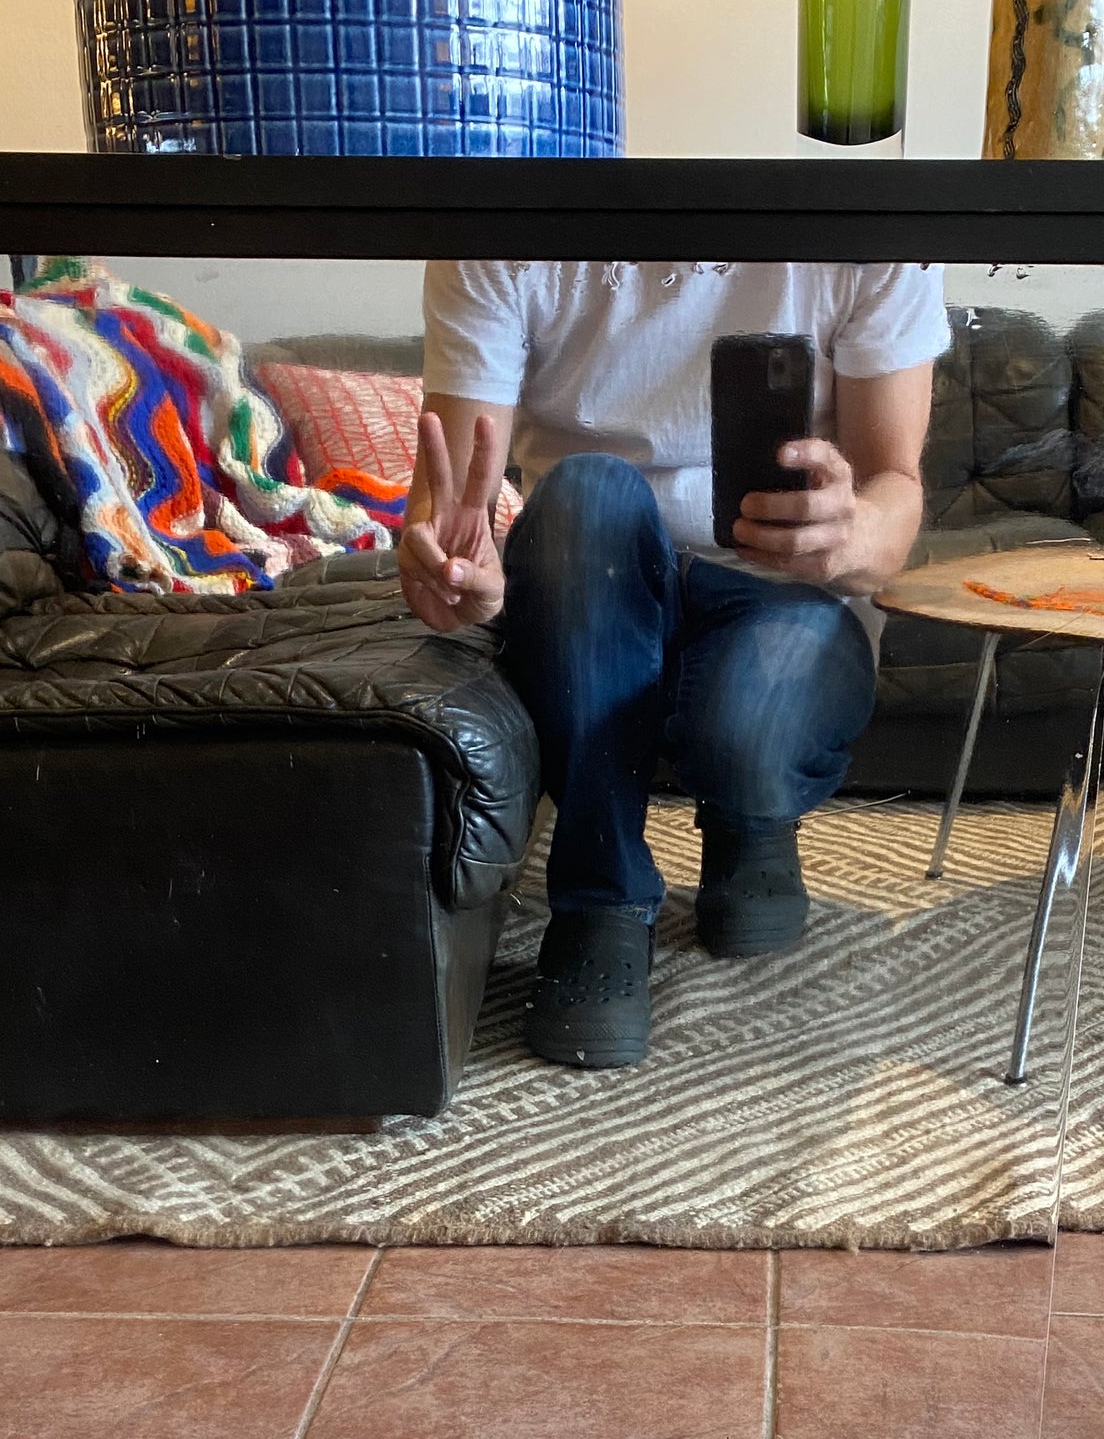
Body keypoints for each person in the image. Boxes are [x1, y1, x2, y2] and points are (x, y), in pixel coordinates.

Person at [399, 261, 949, 1066]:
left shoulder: (869, 231)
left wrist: (851, 530)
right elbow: (452, 497)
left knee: (751, 729)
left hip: (782, 583)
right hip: (592, 575)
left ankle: (751, 820)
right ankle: (599, 895)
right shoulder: (505, 222)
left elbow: (894, 489)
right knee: (587, 493)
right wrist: (455, 569)